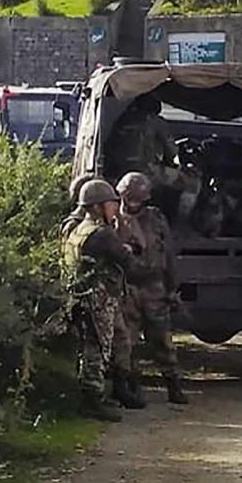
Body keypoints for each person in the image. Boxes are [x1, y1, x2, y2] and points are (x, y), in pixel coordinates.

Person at [61, 179, 142, 422]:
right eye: (110, 204)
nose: (115, 208)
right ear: (97, 207)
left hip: (85, 295)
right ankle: (92, 400)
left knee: (116, 340)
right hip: (98, 298)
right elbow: (128, 263)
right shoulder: (102, 234)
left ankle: (115, 389)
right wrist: (129, 249)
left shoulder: (79, 229)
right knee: (97, 348)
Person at [114, 172, 189, 406]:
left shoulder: (156, 219)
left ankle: (173, 384)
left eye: (139, 199)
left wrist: (172, 287)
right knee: (127, 342)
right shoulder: (114, 219)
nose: (134, 203)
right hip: (128, 287)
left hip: (155, 286)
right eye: (130, 198)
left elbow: (168, 253)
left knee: (162, 339)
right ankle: (131, 386)